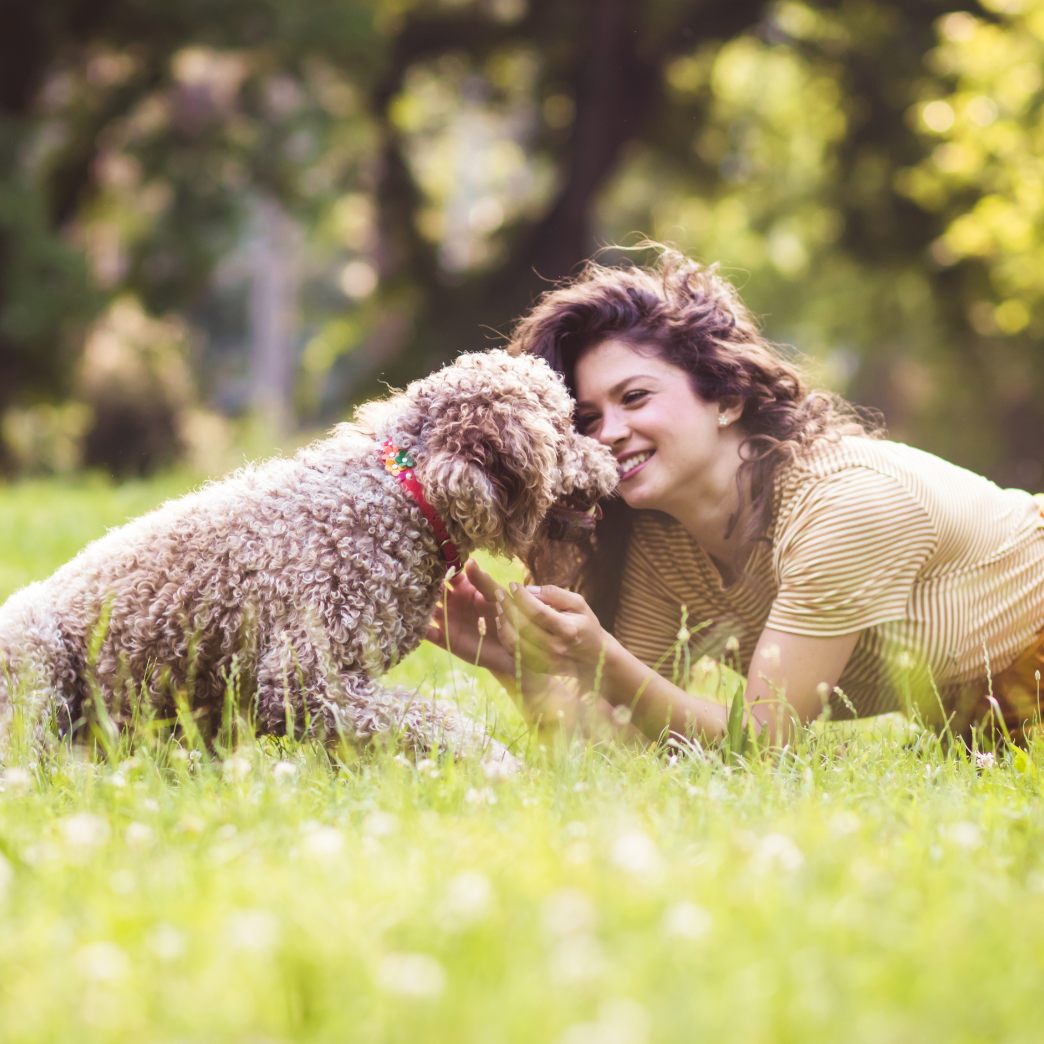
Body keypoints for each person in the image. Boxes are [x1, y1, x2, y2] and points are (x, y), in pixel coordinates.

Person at [427, 245, 1044, 747]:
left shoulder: (844, 507)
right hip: (986, 728)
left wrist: (603, 660)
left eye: (635, 397)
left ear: (727, 398)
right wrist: (515, 663)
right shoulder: (662, 539)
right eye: (587, 418)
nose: (608, 432)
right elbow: (619, 749)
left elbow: (762, 746)